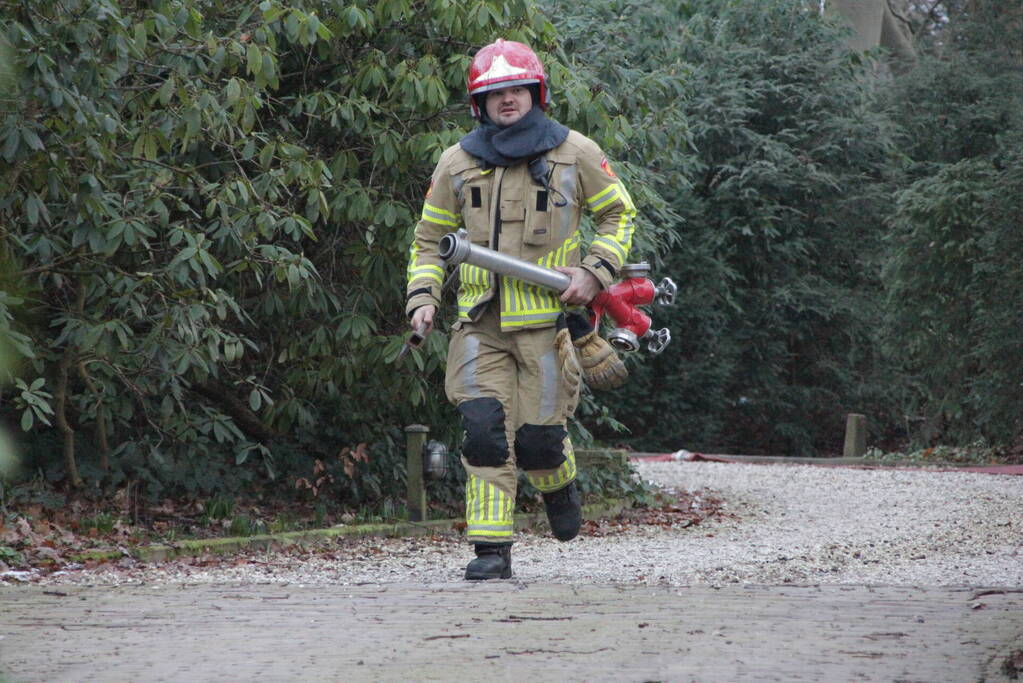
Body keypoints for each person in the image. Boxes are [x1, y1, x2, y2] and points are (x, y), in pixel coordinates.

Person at [405, 38, 636, 580]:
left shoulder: (575, 153)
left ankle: (559, 483)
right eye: (494, 93)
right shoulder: (457, 163)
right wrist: (423, 299)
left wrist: (594, 271)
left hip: (548, 327)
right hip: (480, 325)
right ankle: (492, 550)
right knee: (482, 432)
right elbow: (428, 239)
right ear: (477, 104)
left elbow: (619, 218)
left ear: (536, 93)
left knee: (537, 441)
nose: (507, 100)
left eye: (516, 89)